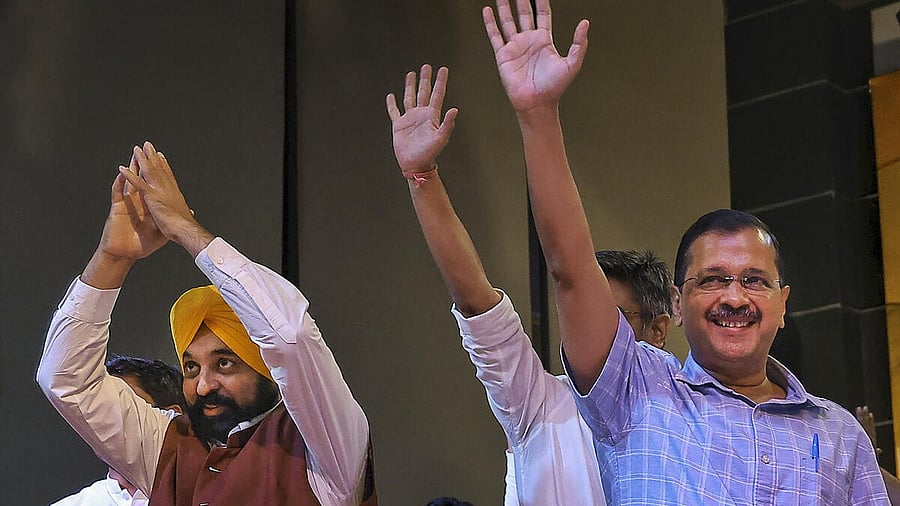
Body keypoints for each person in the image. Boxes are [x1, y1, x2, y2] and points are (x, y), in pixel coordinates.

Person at [481, 0, 888, 503]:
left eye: (754, 280)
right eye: (713, 279)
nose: (734, 296)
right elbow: (568, 268)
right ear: (676, 304)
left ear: (783, 304)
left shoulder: (838, 434)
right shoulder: (635, 390)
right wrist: (538, 116)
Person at [387, 65, 672, 505]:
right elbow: (479, 303)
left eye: (613, 319)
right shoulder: (541, 405)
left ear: (659, 329)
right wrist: (421, 176)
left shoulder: (695, 419)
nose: (590, 328)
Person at [37, 143, 376, 505]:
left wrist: (184, 229)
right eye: (191, 367)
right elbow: (66, 380)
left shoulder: (322, 450)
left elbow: (289, 336)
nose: (202, 386)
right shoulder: (167, 448)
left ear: (265, 366)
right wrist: (112, 258)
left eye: (224, 363)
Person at [52, 355, 185, 506]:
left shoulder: (204, 495)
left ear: (171, 416)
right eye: (98, 408)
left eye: (125, 405)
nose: (103, 419)